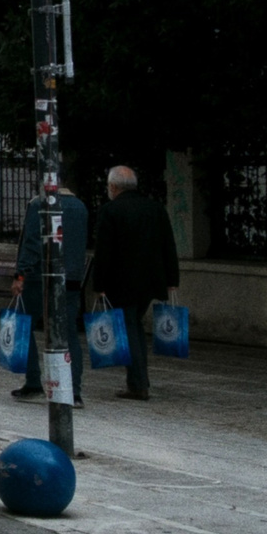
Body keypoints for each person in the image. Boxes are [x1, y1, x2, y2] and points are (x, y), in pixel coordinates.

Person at [92, 166, 180, 400]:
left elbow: (104, 251)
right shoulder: (155, 208)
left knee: (130, 328)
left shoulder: (110, 211)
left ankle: (139, 384)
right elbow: (168, 244)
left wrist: (98, 284)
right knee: (134, 326)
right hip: (151, 281)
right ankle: (138, 381)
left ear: (113, 187)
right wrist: (172, 279)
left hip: (121, 282)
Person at [10, 180, 91, 403]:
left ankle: (34, 381)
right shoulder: (80, 207)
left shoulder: (40, 204)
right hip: (72, 277)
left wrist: (20, 275)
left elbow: (33, 242)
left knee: (22, 324)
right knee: (68, 332)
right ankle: (73, 391)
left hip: (40, 277)